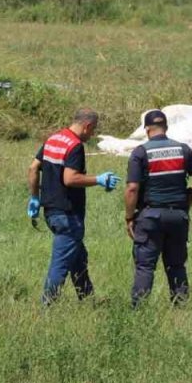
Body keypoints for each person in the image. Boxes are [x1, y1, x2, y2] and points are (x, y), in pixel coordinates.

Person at [27, 108, 120, 304]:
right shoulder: (75, 146)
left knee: (78, 257)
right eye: (92, 130)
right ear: (86, 126)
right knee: (60, 263)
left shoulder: (54, 138)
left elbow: (33, 167)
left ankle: (88, 300)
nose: (92, 134)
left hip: (51, 211)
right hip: (68, 214)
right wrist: (98, 179)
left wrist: (35, 197)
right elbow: (70, 179)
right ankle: (47, 307)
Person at [124, 110, 192, 307]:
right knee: (176, 265)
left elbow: (132, 188)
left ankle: (139, 310)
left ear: (147, 129)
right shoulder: (183, 149)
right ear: (166, 127)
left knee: (145, 266)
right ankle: (180, 308)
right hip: (178, 216)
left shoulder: (141, 152)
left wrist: (129, 217)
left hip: (151, 216)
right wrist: (189, 201)